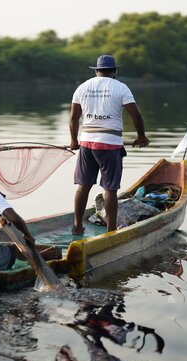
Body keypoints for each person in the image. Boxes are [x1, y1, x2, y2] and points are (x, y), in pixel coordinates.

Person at [69, 54, 150, 234]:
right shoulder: (121, 88)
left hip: (86, 143)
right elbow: (136, 115)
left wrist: (74, 140)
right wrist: (141, 136)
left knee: (83, 185)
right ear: (114, 71)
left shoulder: (82, 87)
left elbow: (74, 118)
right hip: (110, 145)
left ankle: (77, 226)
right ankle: (111, 229)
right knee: (110, 188)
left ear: (97, 70)